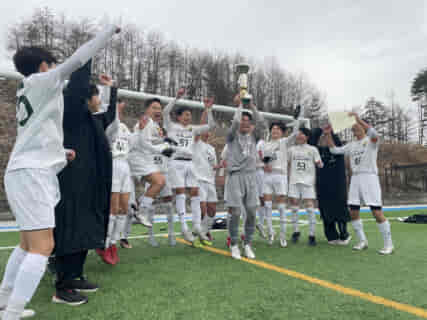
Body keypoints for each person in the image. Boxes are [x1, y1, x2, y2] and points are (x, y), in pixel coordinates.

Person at [0, 25, 120, 319]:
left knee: (28, 244)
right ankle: (12, 312)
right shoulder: (41, 81)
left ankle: (5, 301)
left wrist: (60, 153)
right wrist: (106, 33)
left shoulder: (29, 89)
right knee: (43, 246)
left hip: (23, 170)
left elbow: (39, 133)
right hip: (31, 174)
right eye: (52, 65)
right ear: (43, 67)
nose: (56, 69)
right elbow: (77, 60)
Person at [53, 59, 119, 305]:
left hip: (89, 185)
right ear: (85, 98)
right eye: (96, 97)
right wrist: (89, 53)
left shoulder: (92, 119)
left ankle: (76, 275)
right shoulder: (71, 114)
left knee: (84, 231)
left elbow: (110, 115)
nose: (99, 101)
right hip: (71, 184)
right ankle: (62, 286)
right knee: (69, 231)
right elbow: (77, 85)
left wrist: (111, 89)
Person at [326, 114, 394, 254]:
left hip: (369, 178)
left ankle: (389, 244)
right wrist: (328, 135)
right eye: (353, 128)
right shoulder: (351, 145)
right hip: (355, 179)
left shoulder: (371, 142)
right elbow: (334, 150)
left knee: (376, 212)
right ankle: (362, 241)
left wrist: (357, 119)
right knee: (353, 212)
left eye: (357, 127)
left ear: (363, 127)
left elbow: (374, 134)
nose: (355, 130)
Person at [162, 89, 216, 244]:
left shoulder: (193, 129)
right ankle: (184, 227)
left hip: (190, 164)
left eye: (189, 115)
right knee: (180, 193)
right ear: (179, 117)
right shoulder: (172, 127)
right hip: (176, 162)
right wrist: (176, 98)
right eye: (185, 115)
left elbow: (211, 125)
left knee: (195, 192)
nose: (188, 117)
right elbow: (166, 112)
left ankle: (198, 226)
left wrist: (208, 109)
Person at [127, 97, 177, 246]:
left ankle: (139, 208)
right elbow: (143, 143)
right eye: (154, 108)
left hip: (145, 160)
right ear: (147, 110)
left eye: (159, 108)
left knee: (160, 182)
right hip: (137, 158)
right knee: (159, 181)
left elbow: (151, 142)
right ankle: (140, 209)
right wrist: (162, 149)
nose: (158, 111)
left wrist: (165, 142)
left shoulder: (154, 125)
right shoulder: (146, 122)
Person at [225, 96, 267, 260]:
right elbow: (234, 123)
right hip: (235, 177)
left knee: (251, 212)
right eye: (242, 120)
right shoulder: (231, 136)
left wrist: (252, 106)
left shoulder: (254, 137)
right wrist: (241, 105)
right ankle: (234, 244)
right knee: (235, 212)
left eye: (247, 121)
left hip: (251, 177)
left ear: (250, 124)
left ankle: (247, 243)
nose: (244, 123)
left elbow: (263, 124)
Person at [97, 99, 133, 264]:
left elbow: (134, 143)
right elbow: (112, 127)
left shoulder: (125, 127)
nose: (121, 105)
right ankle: (105, 243)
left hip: (125, 166)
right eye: (117, 103)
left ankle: (113, 242)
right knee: (113, 207)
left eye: (121, 103)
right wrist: (115, 109)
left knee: (124, 208)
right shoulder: (107, 124)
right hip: (113, 165)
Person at [309, 126, 351, 245]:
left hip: (337, 183)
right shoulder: (315, 151)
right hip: (322, 184)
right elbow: (311, 142)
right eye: (322, 137)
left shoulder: (337, 150)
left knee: (339, 207)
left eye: (326, 137)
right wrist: (319, 131)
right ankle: (331, 235)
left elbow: (334, 145)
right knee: (325, 208)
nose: (324, 139)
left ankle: (344, 234)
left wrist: (328, 133)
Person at [262, 121, 298, 247]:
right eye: (273, 129)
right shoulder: (265, 145)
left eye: (278, 129)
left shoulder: (284, 142)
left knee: (281, 207)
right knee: (267, 206)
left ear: (282, 132)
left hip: (280, 176)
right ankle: (271, 233)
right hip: (267, 177)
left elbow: (295, 134)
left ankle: (283, 236)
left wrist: (297, 120)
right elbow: (264, 161)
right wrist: (264, 166)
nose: (275, 131)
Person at [288, 128, 323, 246]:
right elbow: (286, 162)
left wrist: (320, 164)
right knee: (294, 206)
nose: (300, 136)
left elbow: (319, 163)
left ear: (307, 137)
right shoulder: (291, 149)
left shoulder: (313, 149)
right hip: (294, 181)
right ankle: (295, 231)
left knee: (309, 207)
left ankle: (312, 235)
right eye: (298, 134)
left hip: (308, 182)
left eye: (303, 134)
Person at [193, 108, 219, 245]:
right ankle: (200, 233)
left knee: (212, 210)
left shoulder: (212, 149)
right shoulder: (196, 143)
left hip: (210, 182)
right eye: (205, 131)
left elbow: (213, 165)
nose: (207, 133)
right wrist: (206, 110)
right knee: (202, 209)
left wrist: (219, 168)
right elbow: (200, 126)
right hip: (198, 181)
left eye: (208, 131)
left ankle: (204, 230)